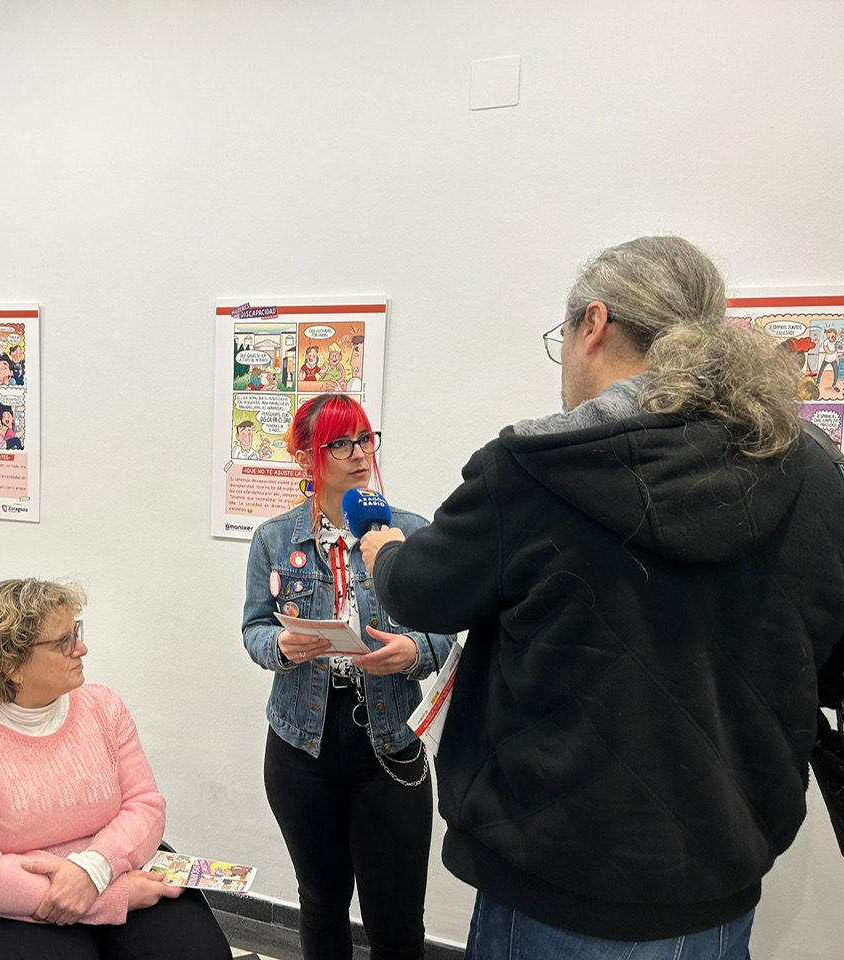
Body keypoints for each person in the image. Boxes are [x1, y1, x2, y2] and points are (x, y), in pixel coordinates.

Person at [360, 236, 844, 959]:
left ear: (594, 323)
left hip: (553, 880)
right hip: (721, 885)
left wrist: (385, 552)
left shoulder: (536, 468)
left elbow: (420, 593)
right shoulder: (811, 470)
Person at [242, 394, 455, 960]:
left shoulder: (409, 532)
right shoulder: (274, 539)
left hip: (389, 740)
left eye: (364, 439)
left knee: (396, 918)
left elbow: (445, 634)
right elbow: (254, 629)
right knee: (320, 903)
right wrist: (281, 646)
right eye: (340, 443)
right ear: (305, 457)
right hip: (301, 742)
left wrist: (413, 651)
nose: (360, 454)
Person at [0, 578, 230, 960]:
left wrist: (94, 871)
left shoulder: (103, 706)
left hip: (115, 865)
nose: (81, 648)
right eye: (63, 641)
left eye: (76, 633)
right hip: (6, 902)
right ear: (12, 666)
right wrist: (112, 898)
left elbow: (145, 806)